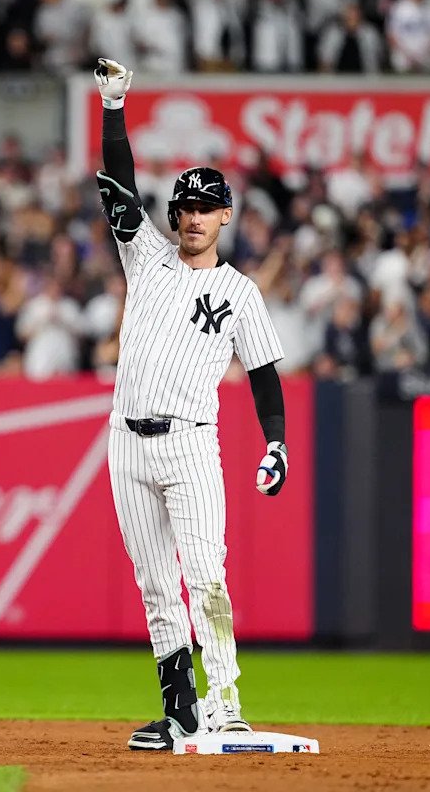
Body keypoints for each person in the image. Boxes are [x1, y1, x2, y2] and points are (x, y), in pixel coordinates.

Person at [92, 58, 290, 751]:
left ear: (226, 214)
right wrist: (114, 107)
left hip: (188, 444)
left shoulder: (240, 292)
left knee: (205, 575)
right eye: (186, 206)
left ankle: (227, 704)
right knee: (154, 585)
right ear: (173, 214)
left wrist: (277, 441)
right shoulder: (145, 257)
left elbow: (264, 370)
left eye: (207, 206)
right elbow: (118, 187)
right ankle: (179, 712)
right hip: (126, 440)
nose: (195, 216)